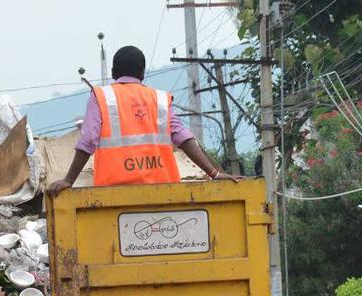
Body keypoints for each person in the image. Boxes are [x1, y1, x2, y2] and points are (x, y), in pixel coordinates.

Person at [46, 45, 236, 195]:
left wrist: (68, 181)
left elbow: (88, 140)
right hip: (163, 192)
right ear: (142, 72)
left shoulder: (101, 97)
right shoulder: (160, 99)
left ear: (113, 72)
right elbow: (184, 138)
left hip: (113, 195)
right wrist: (215, 173)